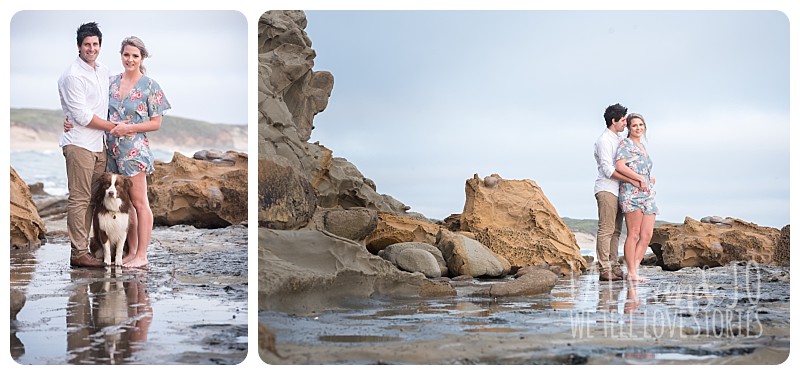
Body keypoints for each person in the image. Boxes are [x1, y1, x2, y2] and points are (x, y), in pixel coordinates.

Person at [65, 36, 171, 268]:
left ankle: (142, 254)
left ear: (142, 58)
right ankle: (130, 252)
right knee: (126, 204)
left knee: (140, 203)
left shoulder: (150, 86)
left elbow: (156, 123)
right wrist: (69, 120)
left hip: (134, 151)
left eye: (135, 56)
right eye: (126, 55)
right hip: (109, 149)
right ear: (121, 55)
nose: (130, 59)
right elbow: (89, 106)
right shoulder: (110, 82)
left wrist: (130, 127)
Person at [58, 22, 125, 268]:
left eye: (95, 44)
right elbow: (83, 117)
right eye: (87, 44)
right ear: (78, 46)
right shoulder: (71, 76)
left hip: (99, 145)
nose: (91, 48)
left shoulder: (103, 70)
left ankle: (97, 246)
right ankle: (78, 254)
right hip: (79, 145)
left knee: (96, 199)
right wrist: (115, 127)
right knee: (79, 199)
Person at [593, 103, 642, 281]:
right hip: (606, 189)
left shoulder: (619, 139)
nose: (625, 123)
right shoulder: (604, 140)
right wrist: (631, 180)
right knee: (606, 230)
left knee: (615, 231)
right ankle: (604, 269)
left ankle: (614, 266)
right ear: (613, 121)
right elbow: (607, 169)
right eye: (622, 120)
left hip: (619, 190)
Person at [615, 113, 658, 282]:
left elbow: (639, 167)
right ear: (628, 128)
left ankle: (635, 270)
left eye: (641, 125)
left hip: (647, 194)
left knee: (646, 235)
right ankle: (631, 272)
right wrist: (639, 178)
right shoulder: (626, 143)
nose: (638, 128)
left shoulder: (642, 146)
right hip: (631, 193)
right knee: (633, 233)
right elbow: (619, 166)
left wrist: (648, 177)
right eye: (634, 125)